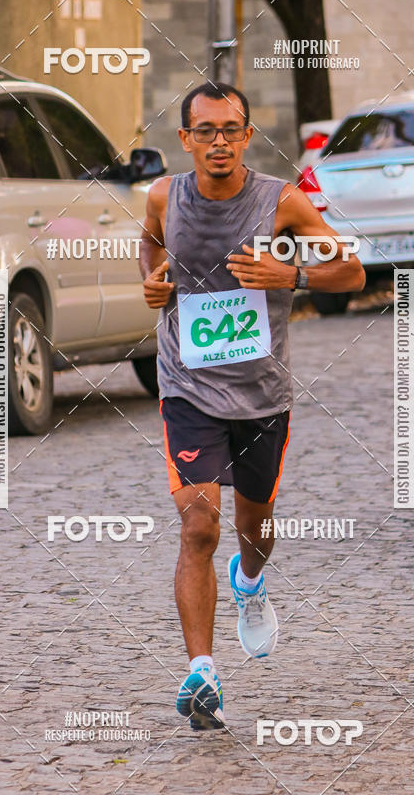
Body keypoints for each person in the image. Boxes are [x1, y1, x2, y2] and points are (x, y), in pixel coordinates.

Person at [139, 82, 365, 731]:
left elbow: (351, 271)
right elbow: (150, 241)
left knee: (254, 529)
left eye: (230, 130)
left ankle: (251, 581)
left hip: (262, 394)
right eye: (205, 130)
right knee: (198, 526)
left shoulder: (281, 202)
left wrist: (290, 275)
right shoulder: (163, 197)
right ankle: (202, 671)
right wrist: (151, 283)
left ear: (246, 135)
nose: (219, 142)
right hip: (187, 385)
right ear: (185, 139)